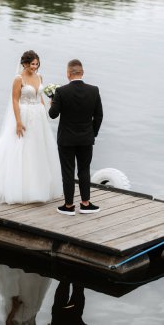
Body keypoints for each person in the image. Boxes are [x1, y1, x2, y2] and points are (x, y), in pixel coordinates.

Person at [0, 50, 63, 204]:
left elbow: (39, 96)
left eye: (37, 64)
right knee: (22, 148)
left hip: (38, 116)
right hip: (25, 115)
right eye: (32, 64)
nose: (35, 67)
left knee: (38, 149)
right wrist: (18, 122)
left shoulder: (39, 77)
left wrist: (45, 113)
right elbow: (15, 100)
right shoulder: (18, 79)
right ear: (25, 64)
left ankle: (39, 185)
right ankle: (19, 187)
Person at [49, 59, 103, 216]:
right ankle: (85, 204)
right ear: (82, 73)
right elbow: (99, 116)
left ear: (68, 74)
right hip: (86, 138)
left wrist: (52, 101)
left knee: (68, 172)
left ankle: (69, 206)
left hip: (66, 139)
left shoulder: (61, 91)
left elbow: (53, 115)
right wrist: (92, 133)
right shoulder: (94, 90)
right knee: (84, 170)